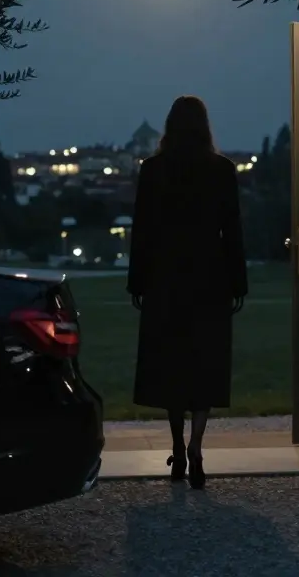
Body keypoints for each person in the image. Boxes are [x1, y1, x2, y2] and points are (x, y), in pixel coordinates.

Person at [127, 95, 248, 490]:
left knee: (171, 365)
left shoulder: (154, 170)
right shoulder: (222, 170)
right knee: (205, 364)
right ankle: (197, 446)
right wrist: (237, 283)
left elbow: (142, 231)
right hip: (209, 278)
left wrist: (138, 282)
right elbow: (232, 232)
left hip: (166, 278)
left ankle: (177, 447)